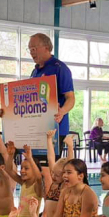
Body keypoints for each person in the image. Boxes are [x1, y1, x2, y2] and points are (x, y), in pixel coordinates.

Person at [27, 33, 75, 164]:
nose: (31, 53)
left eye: (34, 49)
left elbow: (70, 98)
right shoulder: (35, 72)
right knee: (33, 169)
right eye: (29, 49)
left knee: (48, 170)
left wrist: (62, 111)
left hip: (54, 128)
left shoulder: (59, 68)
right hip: (36, 128)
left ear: (46, 47)